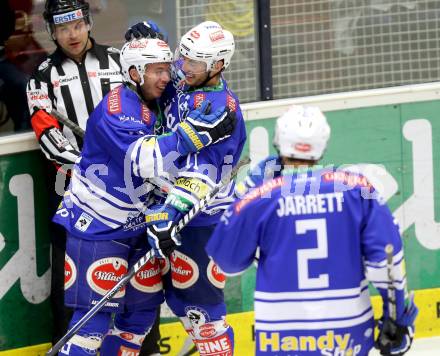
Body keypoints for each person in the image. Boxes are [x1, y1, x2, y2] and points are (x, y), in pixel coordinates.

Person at [52, 37, 236, 356]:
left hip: (139, 225)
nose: (166, 77)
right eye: (157, 71)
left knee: (137, 317)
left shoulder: (157, 97)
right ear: (135, 73)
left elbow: (203, 77)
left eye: (167, 69)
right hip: (100, 226)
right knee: (92, 325)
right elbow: (145, 162)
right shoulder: (117, 110)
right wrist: (192, 136)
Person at [206, 105, 418, 356]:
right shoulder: (358, 189)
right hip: (347, 331)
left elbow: (227, 262)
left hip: (281, 334)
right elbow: (386, 258)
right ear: (322, 144)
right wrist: (396, 319)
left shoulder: (259, 197)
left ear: (279, 142)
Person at [25, 0, 164, 349]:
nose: (71, 34)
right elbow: (47, 134)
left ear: (88, 23)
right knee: (69, 277)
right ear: (51, 31)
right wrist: (87, 170)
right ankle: (66, 343)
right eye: (61, 28)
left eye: (76, 25)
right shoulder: (41, 76)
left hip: (131, 184)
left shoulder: (119, 60)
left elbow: (153, 108)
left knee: (141, 266)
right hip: (74, 188)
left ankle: (146, 344)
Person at [139, 21, 247, 355]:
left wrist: (170, 213)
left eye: (194, 63)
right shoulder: (187, 81)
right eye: (182, 58)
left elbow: (203, 171)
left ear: (218, 65)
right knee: (148, 310)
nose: (183, 68)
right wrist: (149, 42)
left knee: (203, 317)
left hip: (199, 223)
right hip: (161, 214)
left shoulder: (221, 111)